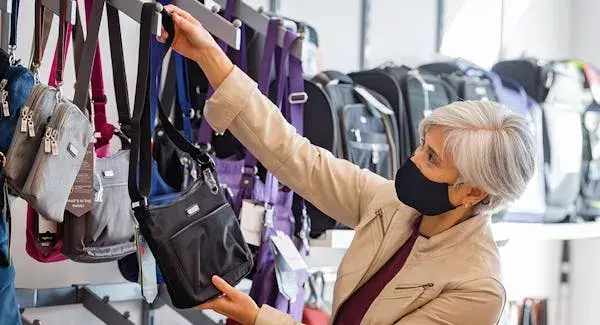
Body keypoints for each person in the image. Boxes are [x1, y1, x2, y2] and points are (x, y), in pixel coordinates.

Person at [159, 5, 536, 325]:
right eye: (423, 146)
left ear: (472, 191)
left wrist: (259, 318)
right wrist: (209, 55)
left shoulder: (477, 288)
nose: (414, 160)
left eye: (432, 159)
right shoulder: (393, 204)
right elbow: (295, 156)